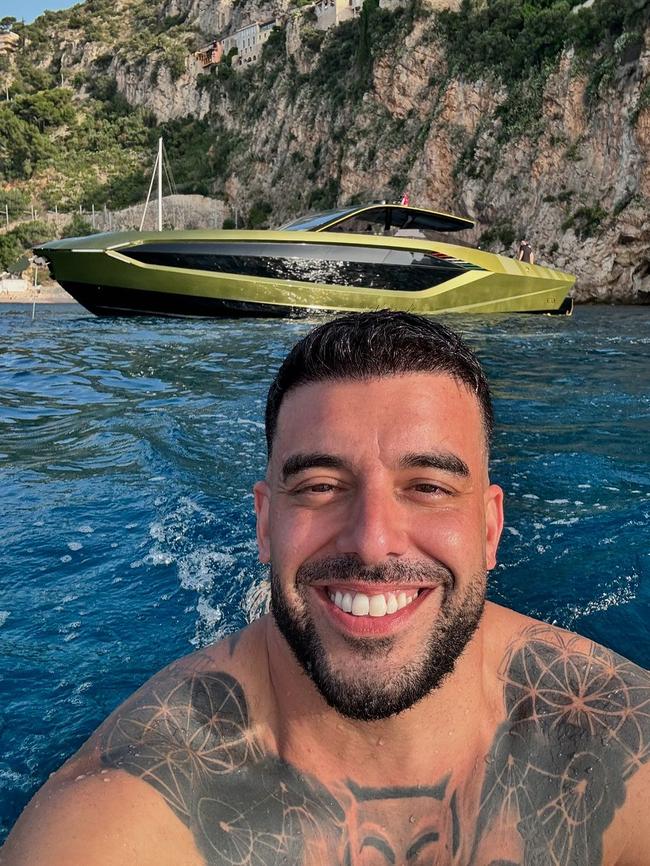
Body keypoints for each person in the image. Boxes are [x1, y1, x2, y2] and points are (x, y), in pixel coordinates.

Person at [2, 311, 649, 866]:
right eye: (319, 486)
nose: (371, 541)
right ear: (263, 523)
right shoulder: (121, 817)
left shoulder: (619, 745)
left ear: (488, 528)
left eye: (427, 486)